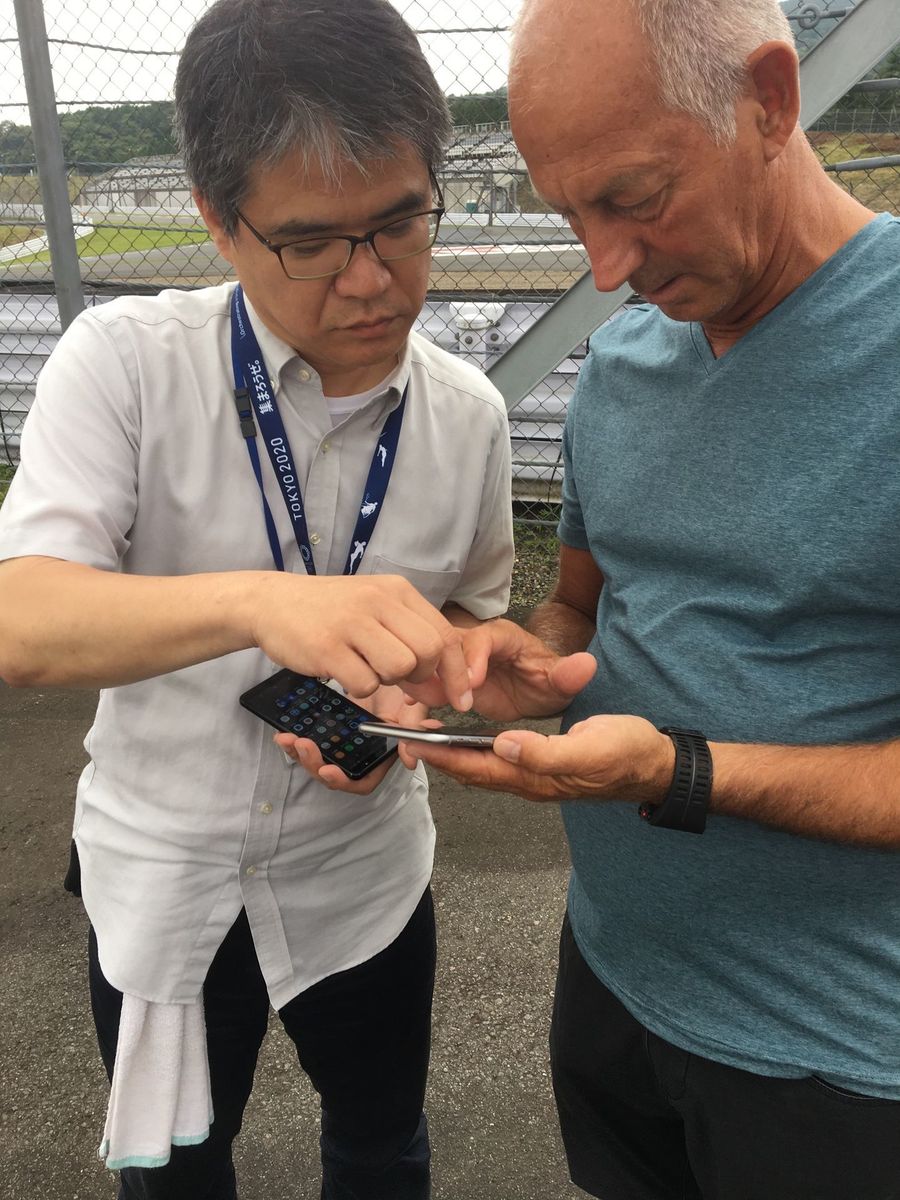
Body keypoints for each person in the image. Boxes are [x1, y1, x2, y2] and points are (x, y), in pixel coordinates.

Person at [0, 1, 515, 1196]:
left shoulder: (472, 418)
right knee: (176, 1171)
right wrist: (260, 603)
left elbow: (474, 615)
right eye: (312, 242)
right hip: (162, 874)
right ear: (218, 222)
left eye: (402, 222)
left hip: (364, 870)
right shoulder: (125, 365)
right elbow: (23, 619)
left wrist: (437, 687)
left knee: (382, 1144)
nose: (373, 279)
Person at [400, 1, 900, 1197]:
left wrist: (680, 772)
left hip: (834, 1056)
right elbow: (580, 607)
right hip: (615, 976)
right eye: (570, 214)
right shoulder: (623, 365)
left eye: (634, 197)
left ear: (770, 100)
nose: (606, 267)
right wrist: (519, 660)